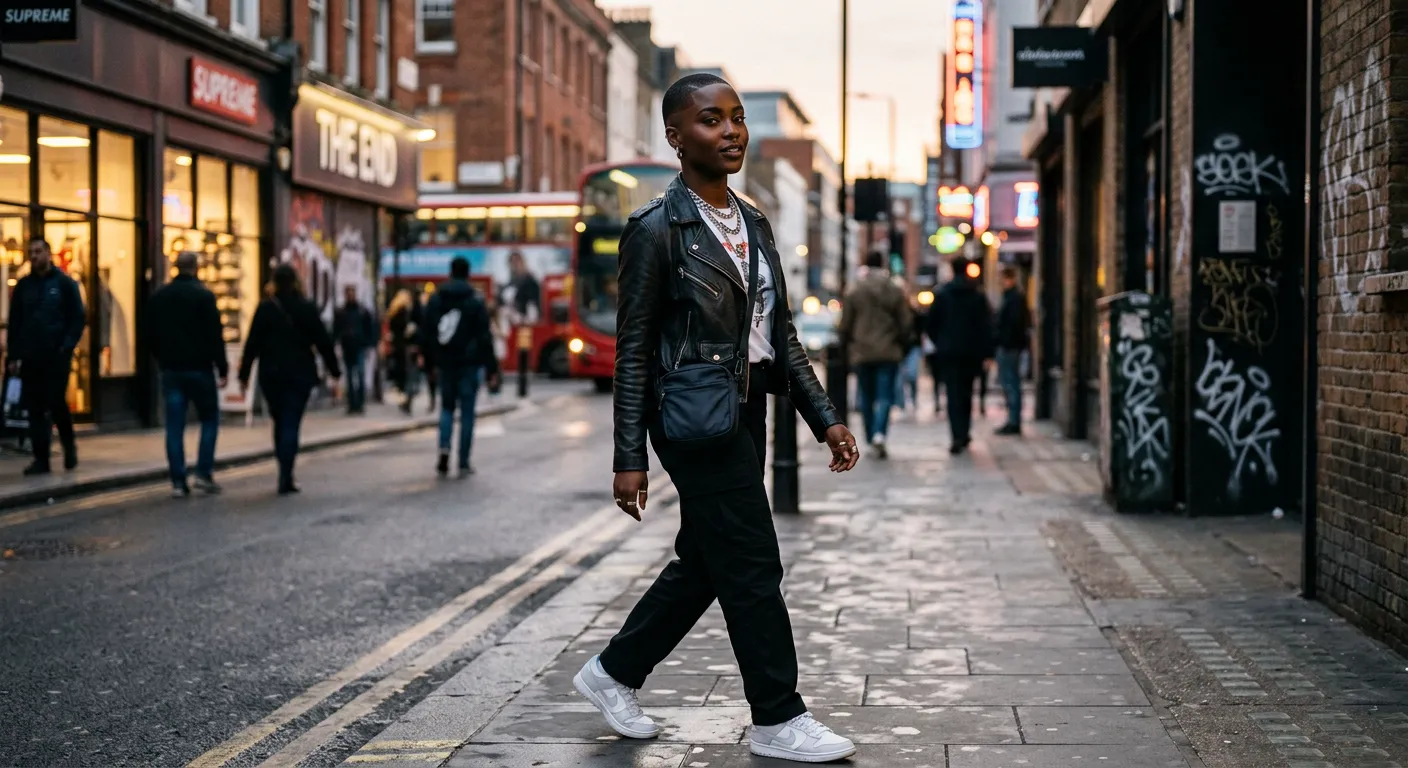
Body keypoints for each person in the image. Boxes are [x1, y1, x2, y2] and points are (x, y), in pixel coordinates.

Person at [574, 73, 860, 764]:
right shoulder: (654, 231)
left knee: (708, 559)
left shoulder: (753, 221)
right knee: (753, 562)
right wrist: (629, 456)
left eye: (736, 118)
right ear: (676, 137)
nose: (731, 130)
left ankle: (612, 673)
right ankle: (777, 717)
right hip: (693, 417)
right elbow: (634, 351)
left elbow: (778, 334)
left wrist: (824, 417)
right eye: (711, 120)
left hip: (749, 409)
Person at [238, 264, 341, 494]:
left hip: (271, 374)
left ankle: (284, 469)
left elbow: (252, 342)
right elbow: (322, 340)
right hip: (299, 373)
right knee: (291, 421)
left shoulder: (265, 308)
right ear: (295, 281)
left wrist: (244, 374)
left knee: (279, 420)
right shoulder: (305, 307)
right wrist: (335, 371)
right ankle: (287, 473)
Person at [147, 251, 227, 496]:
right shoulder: (204, 296)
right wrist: (222, 367)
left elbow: (150, 333)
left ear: (175, 267)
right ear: (196, 267)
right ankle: (203, 473)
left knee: (174, 426)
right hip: (200, 369)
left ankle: (178, 481)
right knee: (210, 419)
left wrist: (161, 358)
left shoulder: (160, 296)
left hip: (171, 370)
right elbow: (215, 334)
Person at [6, 237, 85, 476]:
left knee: (57, 403)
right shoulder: (23, 286)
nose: (34, 256)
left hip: (56, 356)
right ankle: (41, 458)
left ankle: (69, 447)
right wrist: (13, 356)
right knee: (35, 408)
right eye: (31, 252)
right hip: (31, 356)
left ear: (49, 254)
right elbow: (16, 322)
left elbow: (77, 317)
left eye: (38, 251)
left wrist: (66, 346)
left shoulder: (64, 284)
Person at [420, 257, 502, 477]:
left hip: (445, 363)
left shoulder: (437, 299)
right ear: (468, 273)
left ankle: (444, 448)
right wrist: (492, 369)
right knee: (467, 413)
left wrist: (429, 363)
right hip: (469, 363)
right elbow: (485, 337)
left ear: (450, 272)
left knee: (446, 408)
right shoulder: (475, 301)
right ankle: (464, 461)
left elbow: (427, 333)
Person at [839, 249, 911, 459]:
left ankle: (870, 437)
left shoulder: (855, 290)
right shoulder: (893, 289)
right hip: (888, 350)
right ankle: (880, 433)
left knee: (866, 396)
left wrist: (846, 346)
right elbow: (905, 322)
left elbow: (846, 324)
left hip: (862, 351)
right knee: (885, 395)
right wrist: (903, 343)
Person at [926, 257, 994, 455]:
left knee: (953, 394)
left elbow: (931, 324)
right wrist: (986, 352)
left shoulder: (942, 294)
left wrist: (941, 342)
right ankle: (964, 432)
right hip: (971, 353)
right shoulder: (976, 295)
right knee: (966, 393)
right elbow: (985, 326)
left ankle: (956, 435)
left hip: (949, 353)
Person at [994, 265, 1032, 436]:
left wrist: (1005, 342)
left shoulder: (1014, 298)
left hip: (1010, 347)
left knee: (1010, 383)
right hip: (1010, 346)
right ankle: (1012, 419)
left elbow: (1014, 325)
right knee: (1009, 382)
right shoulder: (1012, 297)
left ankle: (1014, 421)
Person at [333, 285, 377, 415]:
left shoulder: (361, 311)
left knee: (359, 375)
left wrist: (369, 343)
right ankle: (353, 404)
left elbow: (370, 328)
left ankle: (359, 403)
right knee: (351, 377)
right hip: (348, 347)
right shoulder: (343, 312)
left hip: (358, 346)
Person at [386, 290, 419, 414]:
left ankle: (404, 398)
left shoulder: (393, 312)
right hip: (406, 348)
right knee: (409, 375)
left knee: (403, 375)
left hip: (398, 347)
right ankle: (406, 398)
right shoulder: (404, 312)